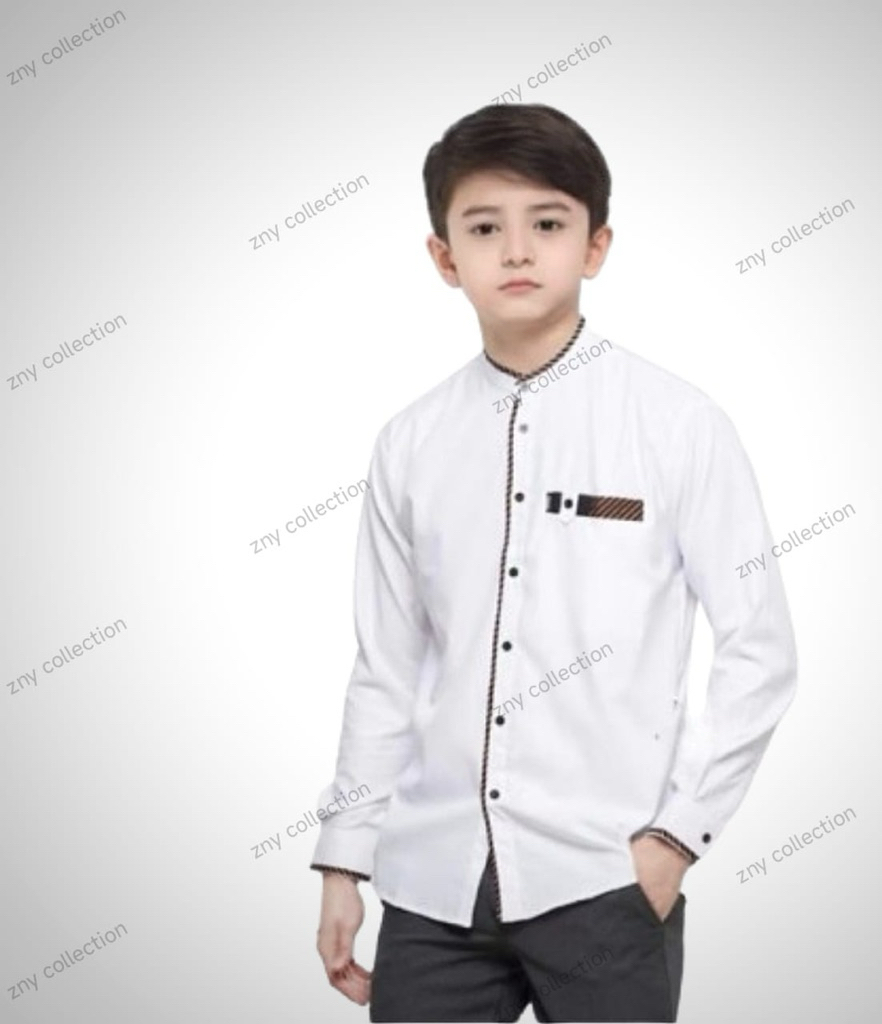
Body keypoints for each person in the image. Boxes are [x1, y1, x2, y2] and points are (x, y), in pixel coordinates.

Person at [311, 102, 799, 1022]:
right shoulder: (410, 442)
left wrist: (675, 841)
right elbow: (387, 667)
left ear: (596, 245)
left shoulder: (678, 424)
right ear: (444, 258)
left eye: (547, 223)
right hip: (431, 886)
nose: (516, 251)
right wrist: (345, 860)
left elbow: (759, 651)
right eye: (483, 229)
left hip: (604, 878)